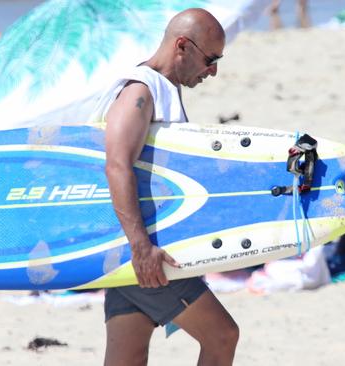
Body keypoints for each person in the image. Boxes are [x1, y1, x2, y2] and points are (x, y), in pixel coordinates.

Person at [90, 8, 239, 366]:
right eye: (211, 59)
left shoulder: (161, 89)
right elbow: (116, 164)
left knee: (127, 358)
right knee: (222, 336)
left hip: (129, 250)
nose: (213, 70)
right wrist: (141, 247)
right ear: (183, 46)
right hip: (146, 253)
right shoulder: (140, 90)